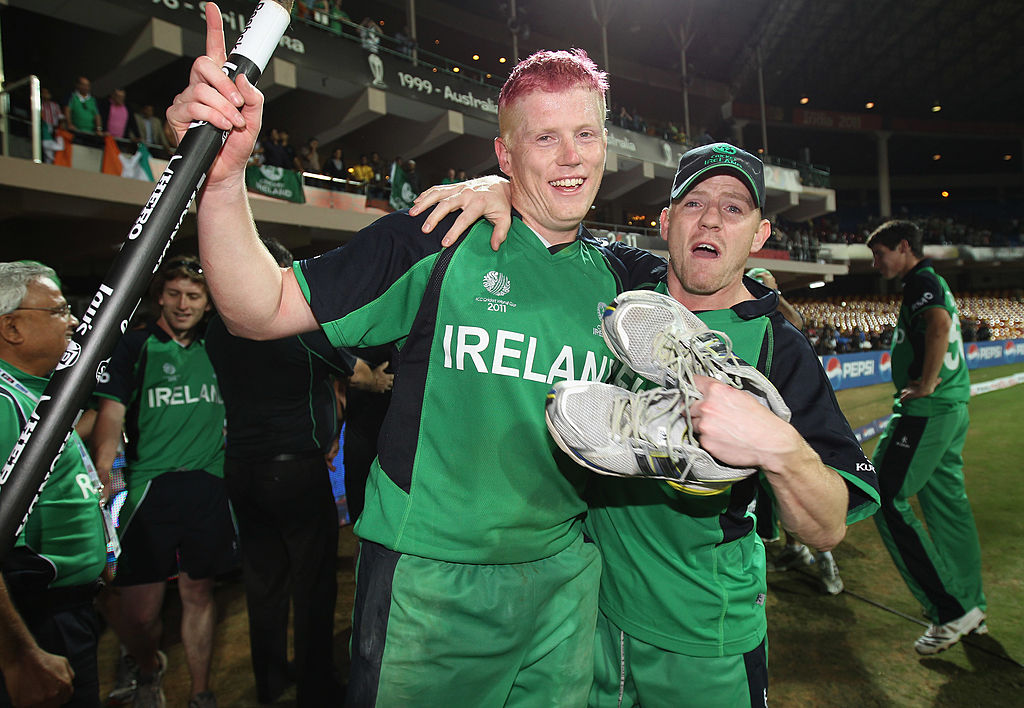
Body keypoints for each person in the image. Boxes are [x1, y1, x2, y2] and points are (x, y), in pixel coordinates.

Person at [167, 7, 662, 703]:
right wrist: (221, 182)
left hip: (566, 581)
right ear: (505, 153)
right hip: (432, 583)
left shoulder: (627, 280)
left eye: (585, 133)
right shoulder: (433, 239)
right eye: (544, 138)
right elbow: (257, 308)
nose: (571, 156)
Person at [415, 143, 880, 706]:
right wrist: (498, 187)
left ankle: (703, 411)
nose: (710, 218)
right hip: (588, 618)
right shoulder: (621, 285)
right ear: (665, 222)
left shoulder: (781, 349)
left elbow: (827, 528)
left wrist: (778, 446)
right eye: (694, 203)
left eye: (733, 209)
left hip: (704, 642)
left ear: (760, 234)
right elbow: (546, 221)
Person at [205, 239, 391, 706]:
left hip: (241, 469)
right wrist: (383, 379)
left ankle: (269, 682)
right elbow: (358, 373)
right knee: (312, 583)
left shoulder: (216, 329)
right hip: (294, 471)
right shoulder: (293, 328)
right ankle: (315, 684)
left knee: (263, 583)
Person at [91, 256, 236, 708]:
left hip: (208, 484)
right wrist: (102, 475)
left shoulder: (220, 346)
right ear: (159, 297)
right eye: (173, 294)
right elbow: (110, 416)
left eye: (193, 295)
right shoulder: (135, 347)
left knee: (198, 595)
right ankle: (147, 665)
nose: (183, 303)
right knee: (140, 612)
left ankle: (200, 692)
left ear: (209, 303)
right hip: (149, 488)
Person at [867, 220, 985, 654]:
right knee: (949, 508)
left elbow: (937, 326)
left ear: (903, 247)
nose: (876, 263)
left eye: (880, 253)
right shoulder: (928, 281)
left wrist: (928, 382)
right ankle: (971, 607)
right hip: (950, 409)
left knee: (883, 498)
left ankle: (950, 611)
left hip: (927, 411)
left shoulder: (921, 281)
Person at [0, 262, 109, 707]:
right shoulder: (5, 404)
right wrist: (21, 655)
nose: (76, 320)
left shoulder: (35, 392)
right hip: (37, 620)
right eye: (59, 310)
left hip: (64, 610)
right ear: (12, 328)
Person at [746, 267, 844, 594]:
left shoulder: (782, 317)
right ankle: (793, 548)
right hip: (756, 417)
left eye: (766, 284)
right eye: (754, 282)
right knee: (773, 490)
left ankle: (826, 559)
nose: (759, 288)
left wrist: (771, 294)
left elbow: (798, 325)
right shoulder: (741, 310)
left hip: (791, 417)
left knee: (799, 488)